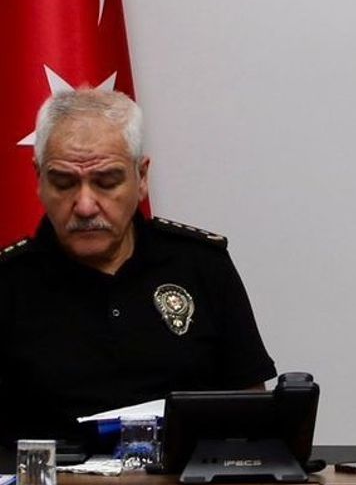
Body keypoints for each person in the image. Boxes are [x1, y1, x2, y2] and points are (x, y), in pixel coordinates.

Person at [0, 89, 277, 450]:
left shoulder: (200, 265)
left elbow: (251, 418)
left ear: (141, 177)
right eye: (64, 183)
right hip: (51, 484)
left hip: (188, 482)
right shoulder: (9, 283)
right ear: (39, 180)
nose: (85, 206)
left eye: (107, 182)